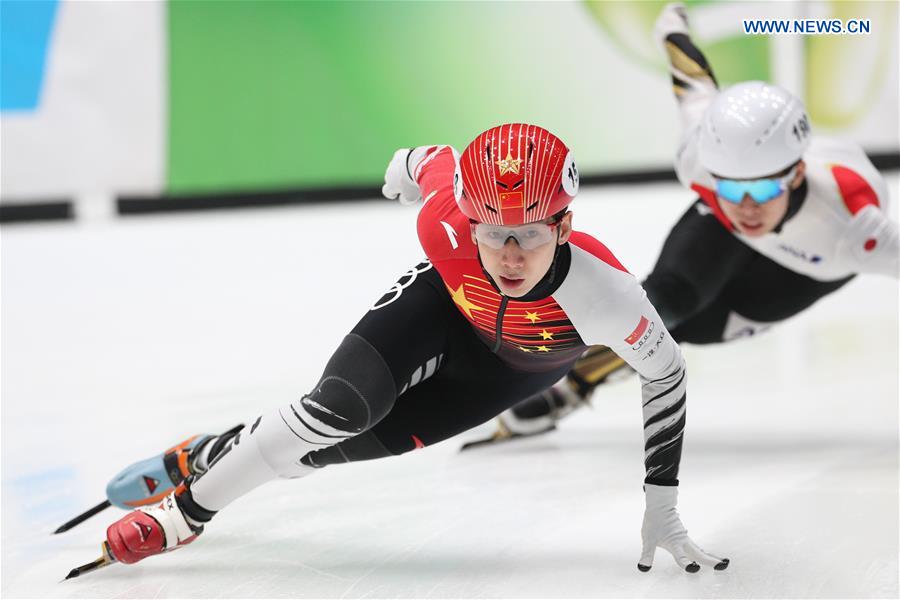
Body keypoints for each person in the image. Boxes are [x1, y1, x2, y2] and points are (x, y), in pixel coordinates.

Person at [87, 123, 727, 575]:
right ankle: (183, 515)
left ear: (563, 225)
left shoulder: (608, 296)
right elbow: (432, 160)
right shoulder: (445, 217)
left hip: (500, 379)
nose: (508, 255)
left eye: (529, 235)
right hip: (438, 310)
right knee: (335, 410)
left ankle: (212, 450)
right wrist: (403, 168)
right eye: (493, 232)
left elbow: (666, 376)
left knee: (326, 453)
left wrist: (661, 505)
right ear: (468, 218)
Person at [485, 4, 899, 443]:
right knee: (663, 304)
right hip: (719, 232)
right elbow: (692, 77)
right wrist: (672, 22)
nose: (745, 207)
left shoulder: (855, 230)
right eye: (728, 187)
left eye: (760, 191)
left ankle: (583, 375)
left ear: (796, 174)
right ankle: (566, 378)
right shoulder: (700, 158)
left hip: (805, 267)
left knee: (694, 329)